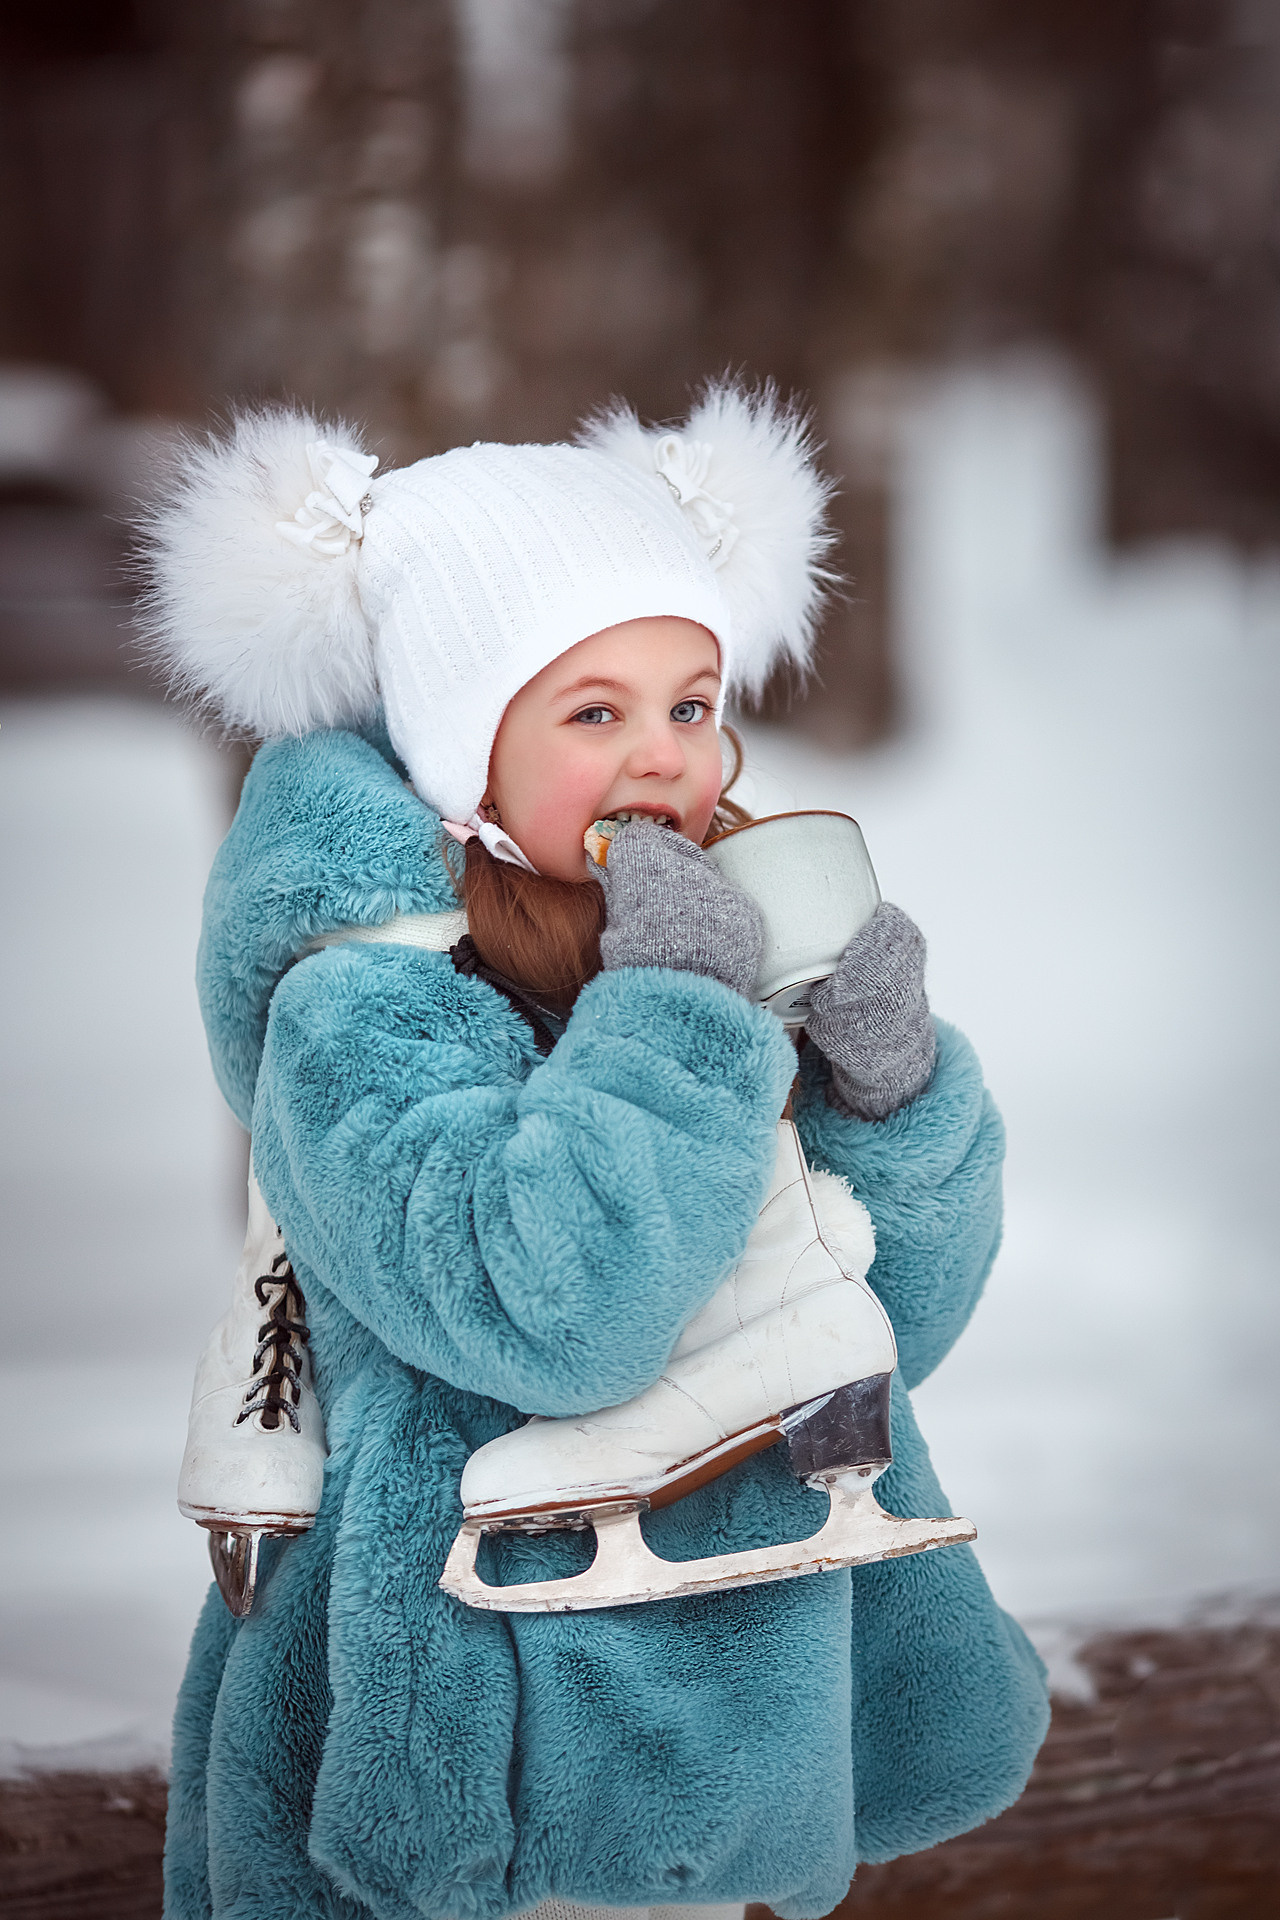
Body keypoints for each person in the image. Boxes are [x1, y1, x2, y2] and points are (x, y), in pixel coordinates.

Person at [143, 382, 1049, 1920]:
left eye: (690, 703)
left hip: (743, 1734)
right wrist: (680, 1020)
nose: (665, 759)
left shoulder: (700, 946)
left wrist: (885, 1096)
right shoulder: (357, 1009)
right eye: (593, 711)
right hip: (472, 1783)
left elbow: (886, 1338)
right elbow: (549, 1313)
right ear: (460, 745)